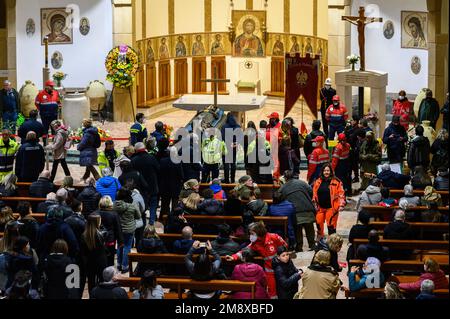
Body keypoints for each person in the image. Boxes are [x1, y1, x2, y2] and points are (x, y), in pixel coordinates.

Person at [226, 222, 287, 298]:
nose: (251, 236)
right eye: (250, 233)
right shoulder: (255, 243)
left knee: (284, 289)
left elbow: (284, 247)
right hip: (269, 271)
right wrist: (233, 257)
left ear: (259, 232)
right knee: (272, 293)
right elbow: (244, 251)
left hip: (281, 267)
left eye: (252, 233)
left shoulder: (273, 237)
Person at [279, 170, 316, 252]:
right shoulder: (302, 183)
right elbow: (310, 191)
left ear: (285, 178)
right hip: (308, 209)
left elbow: (280, 197)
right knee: (309, 228)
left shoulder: (283, 187)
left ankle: (299, 247)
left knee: (297, 230)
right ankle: (312, 245)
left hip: (295, 211)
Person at [312, 164, 346, 238]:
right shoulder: (318, 181)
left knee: (331, 227)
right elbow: (314, 194)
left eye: (328, 170)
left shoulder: (337, 182)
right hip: (320, 208)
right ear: (322, 172)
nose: (326, 172)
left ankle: (332, 243)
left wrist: (341, 205)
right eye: (324, 171)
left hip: (331, 209)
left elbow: (341, 194)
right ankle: (320, 242)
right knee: (319, 224)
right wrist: (314, 202)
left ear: (331, 172)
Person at [131, 142, 160, 225]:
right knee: (153, 205)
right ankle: (151, 223)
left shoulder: (133, 160)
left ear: (136, 150)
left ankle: (142, 223)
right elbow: (158, 169)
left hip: (140, 188)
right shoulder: (152, 158)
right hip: (153, 186)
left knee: (142, 206)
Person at [113, 189, 141, 273]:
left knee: (119, 246)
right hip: (129, 229)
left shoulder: (114, 205)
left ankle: (118, 264)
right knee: (127, 247)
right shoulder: (132, 206)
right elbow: (138, 216)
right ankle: (125, 266)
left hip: (118, 229)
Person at [80, 214, 108, 296]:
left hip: (89, 261)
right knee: (102, 280)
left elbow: (83, 251)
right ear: (96, 222)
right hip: (101, 260)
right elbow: (106, 232)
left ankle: (92, 296)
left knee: (91, 282)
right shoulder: (102, 234)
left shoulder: (84, 235)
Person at [94, 196, 123, 267]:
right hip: (110, 241)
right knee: (110, 260)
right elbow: (118, 229)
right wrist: (121, 241)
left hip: (97, 239)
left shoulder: (94, 213)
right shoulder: (114, 214)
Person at [158, 145, 184, 220]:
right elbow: (181, 175)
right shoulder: (178, 162)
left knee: (164, 206)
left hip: (164, 187)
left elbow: (160, 173)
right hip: (175, 187)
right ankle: (174, 220)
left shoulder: (162, 161)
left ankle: (163, 220)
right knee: (175, 206)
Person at [221, 113, 241, 184]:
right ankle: (232, 179)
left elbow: (222, 138)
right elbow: (240, 138)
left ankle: (226, 180)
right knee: (233, 163)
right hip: (234, 147)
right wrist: (236, 144)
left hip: (226, 147)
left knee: (226, 164)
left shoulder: (224, 127)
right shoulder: (238, 126)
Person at [345, 116, 363, 183]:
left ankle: (356, 177)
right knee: (352, 164)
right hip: (351, 149)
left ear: (355, 121)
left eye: (352, 120)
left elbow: (351, 138)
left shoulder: (357, 129)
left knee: (354, 164)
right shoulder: (351, 128)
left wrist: (347, 132)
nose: (351, 121)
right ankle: (355, 177)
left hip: (354, 149)